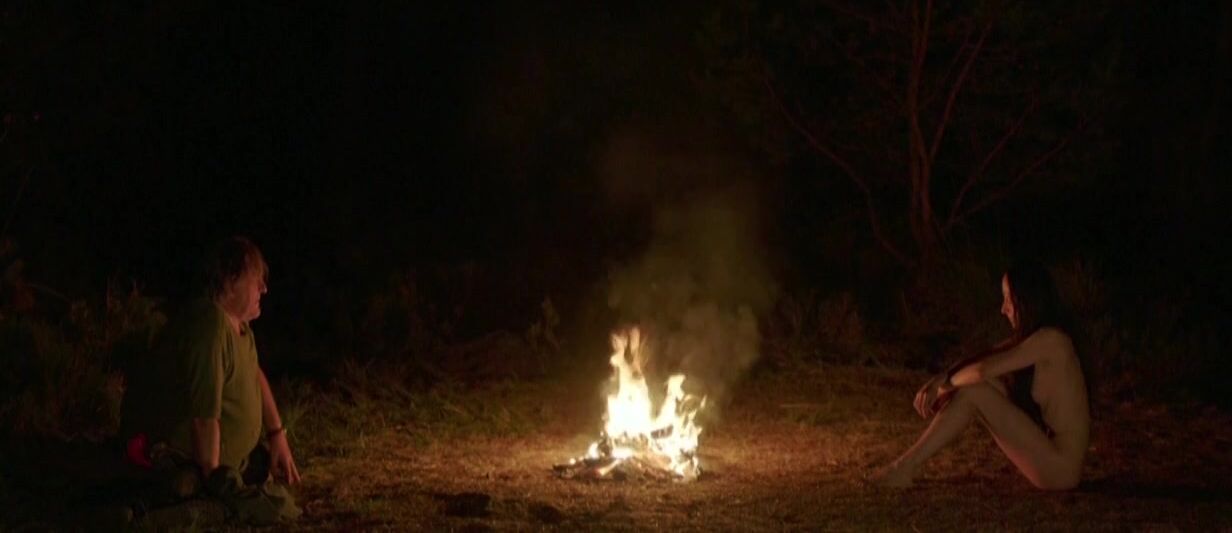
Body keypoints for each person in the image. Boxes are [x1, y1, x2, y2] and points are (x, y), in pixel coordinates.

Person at [118, 236, 301, 525]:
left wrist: (277, 434)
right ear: (230, 282)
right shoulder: (210, 323)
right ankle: (167, 505)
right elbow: (204, 417)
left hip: (221, 460)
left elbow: (254, 373)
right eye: (256, 280)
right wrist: (214, 478)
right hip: (170, 454)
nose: (264, 288)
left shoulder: (240, 328)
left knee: (259, 474)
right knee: (215, 499)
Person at [873, 261, 1090, 490]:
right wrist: (943, 378)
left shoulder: (1052, 341)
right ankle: (904, 467)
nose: (1003, 309)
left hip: (1060, 468)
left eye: (1008, 299)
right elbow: (984, 358)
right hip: (1050, 454)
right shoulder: (1038, 338)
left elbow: (982, 370)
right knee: (979, 386)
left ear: (1026, 300)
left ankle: (903, 468)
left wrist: (945, 385)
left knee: (975, 389)